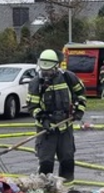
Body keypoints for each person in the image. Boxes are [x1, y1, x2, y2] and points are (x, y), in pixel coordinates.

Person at [28, 49, 86, 181]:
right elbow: (33, 107)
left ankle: (65, 191)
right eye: (44, 71)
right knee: (46, 163)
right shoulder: (36, 83)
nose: (46, 74)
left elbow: (81, 94)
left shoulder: (68, 78)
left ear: (57, 67)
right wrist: (43, 120)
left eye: (49, 71)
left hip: (65, 127)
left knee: (67, 160)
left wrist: (79, 110)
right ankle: (44, 192)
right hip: (46, 130)